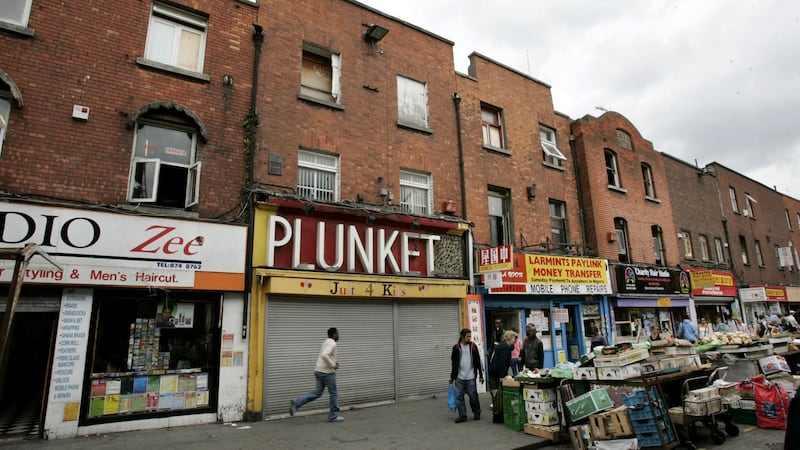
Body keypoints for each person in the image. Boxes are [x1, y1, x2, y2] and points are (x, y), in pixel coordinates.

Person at [289, 327, 343, 422]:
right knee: (333, 394)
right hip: (327, 373)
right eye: (338, 333)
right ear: (334, 334)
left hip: (318, 371)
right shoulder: (332, 343)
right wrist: (333, 365)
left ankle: (297, 402)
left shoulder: (326, 341)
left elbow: (326, 355)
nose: (339, 335)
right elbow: (325, 355)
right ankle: (333, 416)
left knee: (317, 393)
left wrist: (334, 361)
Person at [450, 328, 484, 423]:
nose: (469, 338)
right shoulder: (456, 348)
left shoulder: (473, 347)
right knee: (459, 397)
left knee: (473, 396)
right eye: (468, 336)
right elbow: (454, 364)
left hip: (471, 377)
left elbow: (478, 362)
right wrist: (452, 377)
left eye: (470, 336)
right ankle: (463, 416)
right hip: (459, 377)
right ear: (462, 336)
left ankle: (477, 412)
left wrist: (481, 375)